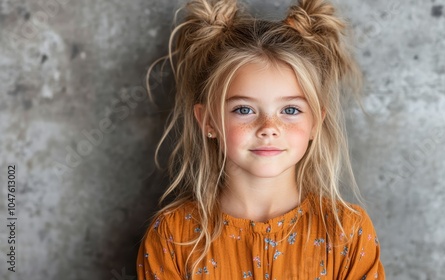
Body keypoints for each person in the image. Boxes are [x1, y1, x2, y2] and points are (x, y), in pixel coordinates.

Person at [136, 0, 385, 278]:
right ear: (208, 121)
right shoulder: (174, 236)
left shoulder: (347, 232)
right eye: (244, 109)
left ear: (316, 122)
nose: (269, 127)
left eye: (290, 110)